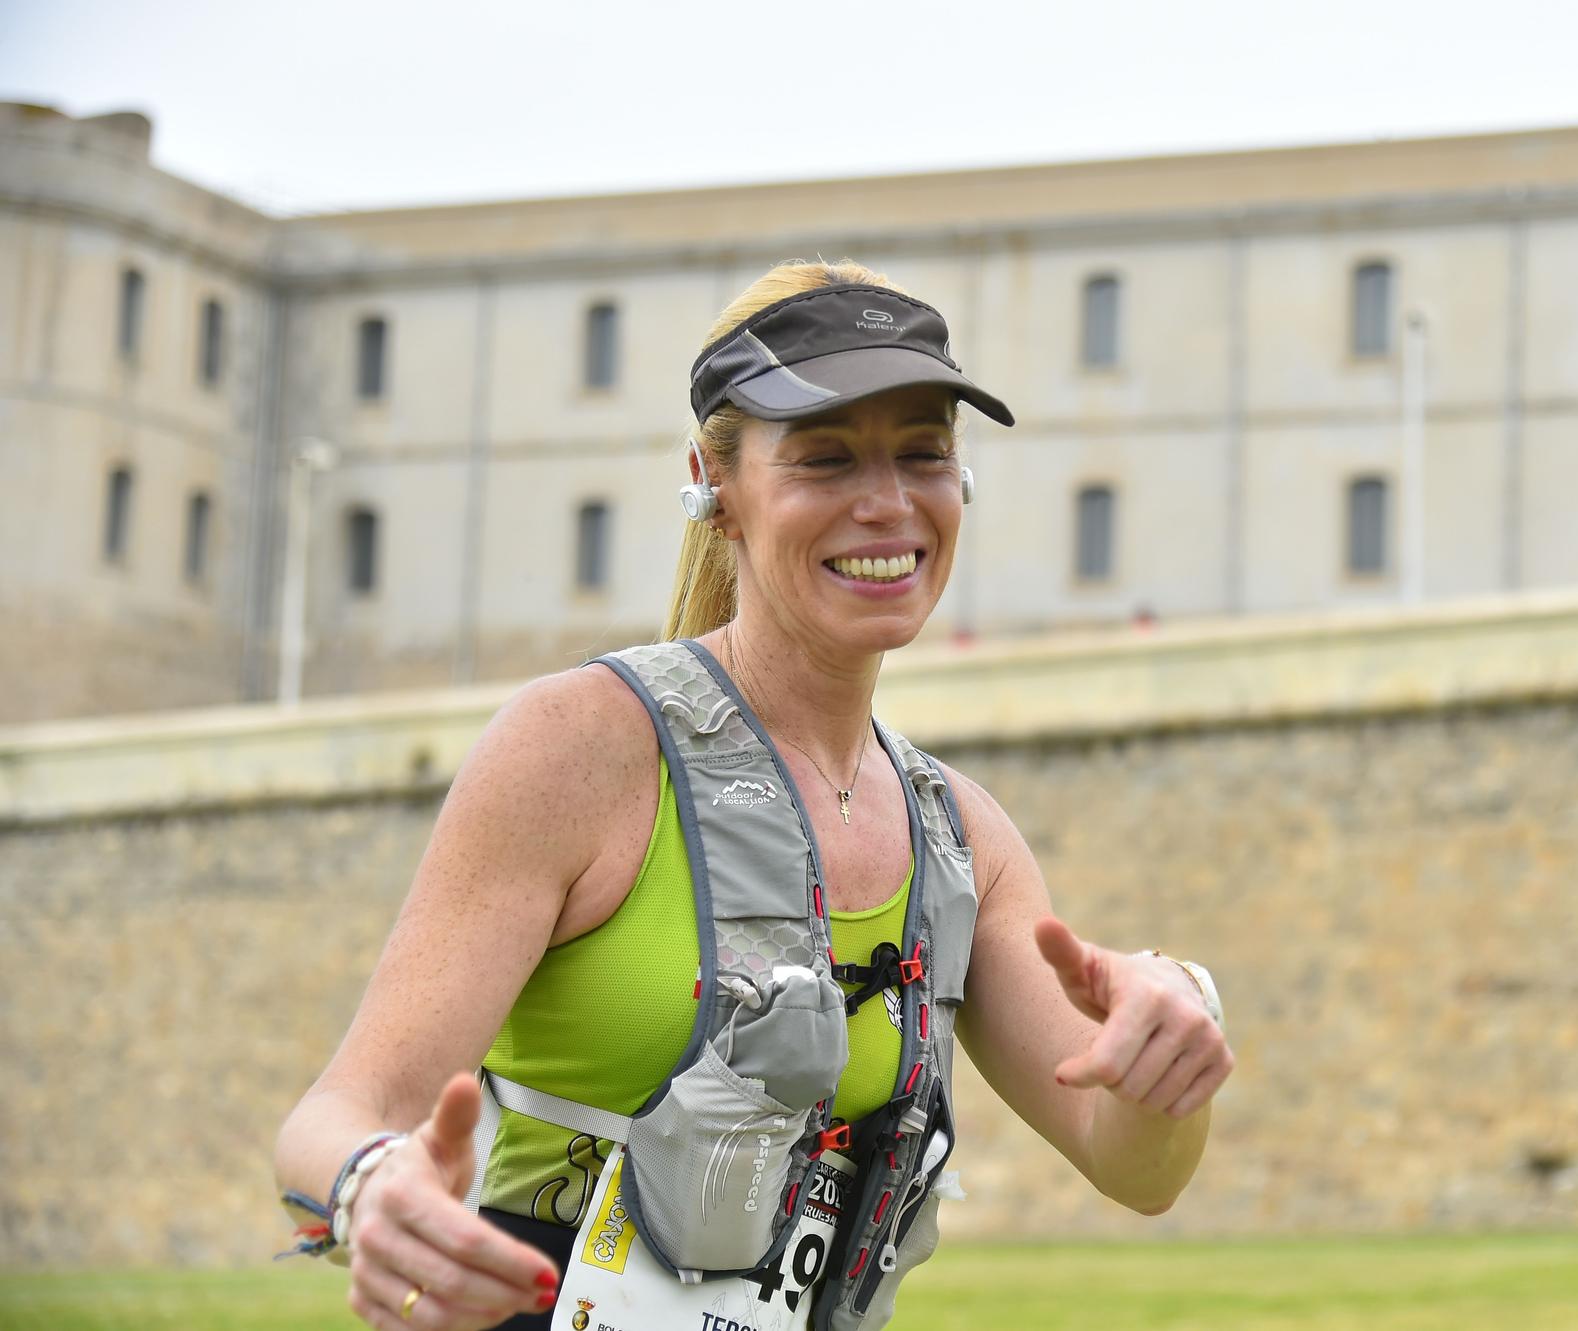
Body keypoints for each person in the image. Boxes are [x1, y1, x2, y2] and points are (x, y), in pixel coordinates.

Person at [273, 259, 1235, 1331]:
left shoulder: (963, 836)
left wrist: (1166, 1057)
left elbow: (1130, 1164)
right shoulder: (580, 746)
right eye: (824, 458)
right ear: (714, 482)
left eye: (923, 452)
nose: (887, 502)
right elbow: (339, 1111)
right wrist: (371, 1184)